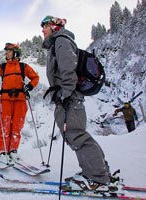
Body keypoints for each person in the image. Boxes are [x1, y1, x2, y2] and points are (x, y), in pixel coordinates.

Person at [41, 15, 111, 191]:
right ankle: (100, 172)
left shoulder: (62, 40)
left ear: (55, 27)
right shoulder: (59, 42)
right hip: (69, 96)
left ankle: (97, 178)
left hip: (69, 98)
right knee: (77, 134)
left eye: (46, 26)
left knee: (76, 135)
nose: (43, 30)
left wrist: (64, 93)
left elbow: (68, 69)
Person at [0, 43, 39, 163]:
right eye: (6, 51)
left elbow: (35, 77)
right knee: (4, 125)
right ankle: (2, 151)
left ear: (16, 52)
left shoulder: (24, 66)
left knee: (17, 126)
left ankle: (13, 150)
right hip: (6, 99)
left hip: (20, 100)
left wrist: (30, 86)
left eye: (9, 51)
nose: (7, 53)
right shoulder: (2, 67)